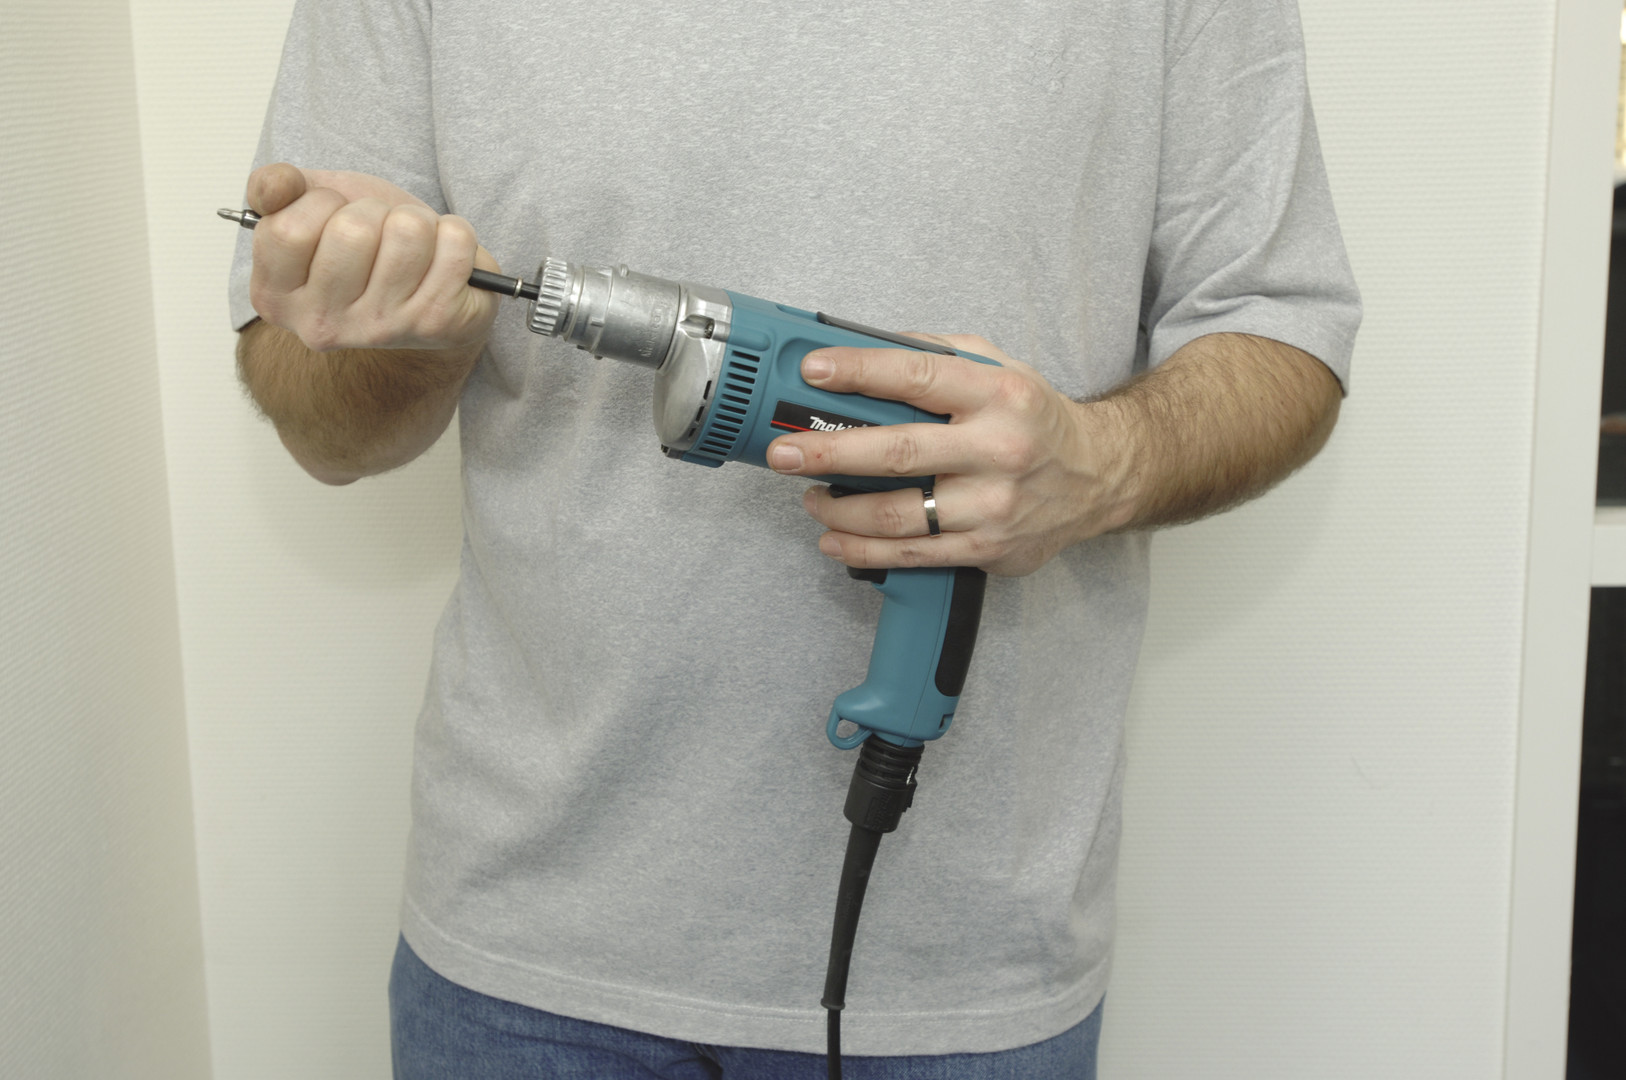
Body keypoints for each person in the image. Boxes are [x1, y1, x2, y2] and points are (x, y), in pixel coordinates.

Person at [230, 1, 1360, 1076]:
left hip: (967, 973)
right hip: (524, 953)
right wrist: (405, 336)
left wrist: (1100, 462)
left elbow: (1282, 326)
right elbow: (323, 427)